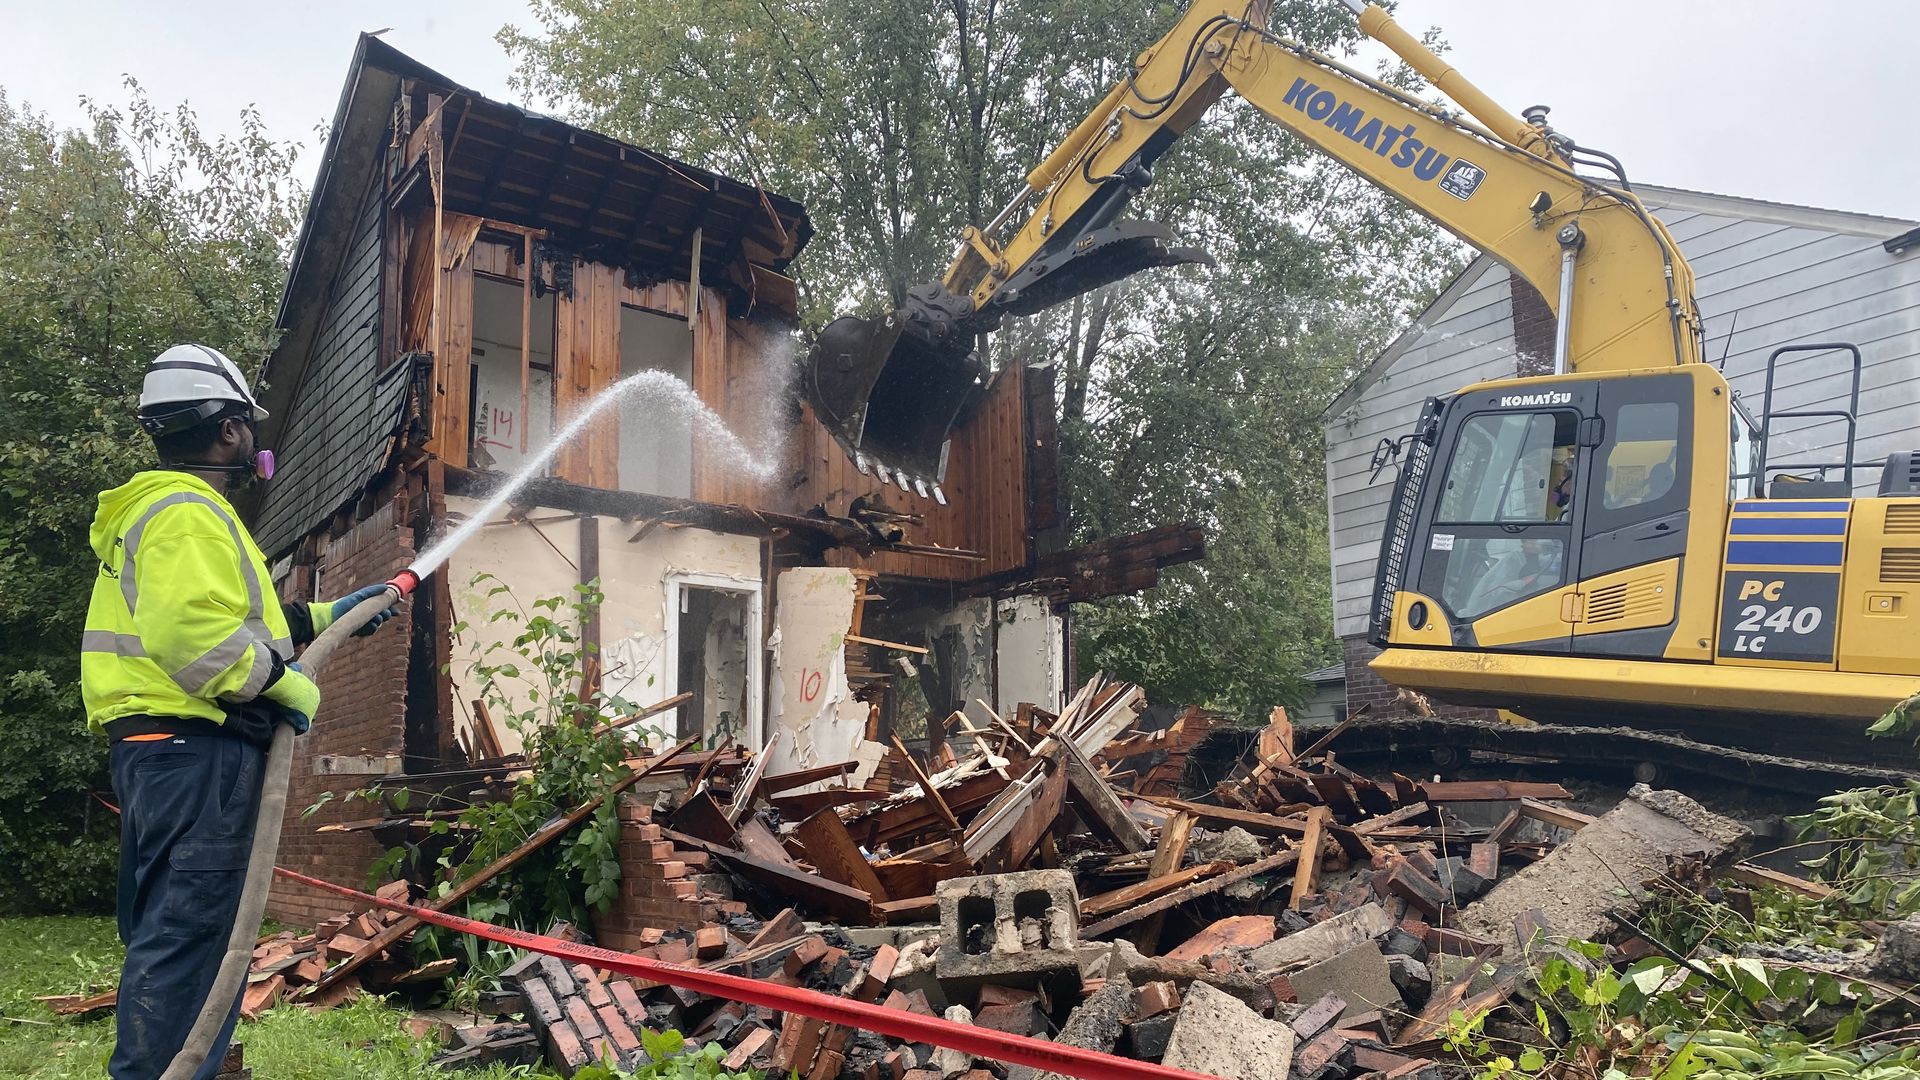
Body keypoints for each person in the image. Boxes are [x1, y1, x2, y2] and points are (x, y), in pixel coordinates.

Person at [82, 345, 400, 1080]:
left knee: (175, 926)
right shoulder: (188, 512)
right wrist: (288, 688)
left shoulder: (162, 514)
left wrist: (329, 615)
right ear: (226, 433)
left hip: (165, 751)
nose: (256, 440)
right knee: (194, 933)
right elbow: (194, 639)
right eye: (247, 426)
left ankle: (190, 1064)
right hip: (194, 754)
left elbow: (232, 622)